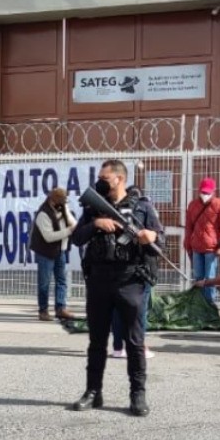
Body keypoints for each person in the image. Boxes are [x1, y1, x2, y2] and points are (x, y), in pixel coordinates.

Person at [69, 159, 163, 417]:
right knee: (97, 340)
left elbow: (159, 240)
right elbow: (76, 237)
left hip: (130, 279)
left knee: (135, 341)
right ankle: (93, 392)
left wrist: (150, 236)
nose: (100, 181)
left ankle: (137, 395)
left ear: (119, 179)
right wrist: (96, 224)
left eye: (105, 178)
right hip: (99, 279)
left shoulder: (142, 206)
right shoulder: (93, 206)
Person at [110, 185, 154, 359]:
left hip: (116, 265)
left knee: (118, 308)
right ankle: (139, 346)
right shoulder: (144, 208)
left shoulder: (115, 209)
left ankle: (118, 347)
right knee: (139, 309)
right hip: (139, 266)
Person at [30, 187, 77, 322]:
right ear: (53, 200)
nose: (63, 204)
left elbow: (74, 224)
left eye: (64, 202)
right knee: (44, 283)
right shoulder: (43, 214)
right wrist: (69, 231)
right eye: (61, 202)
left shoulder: (62, 210)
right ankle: (43, 310)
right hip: (45, 252)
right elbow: (49, 237)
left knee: (61, 281)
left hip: (60, 251)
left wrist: (66, 210)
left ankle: (60, 308)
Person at [184, 177, 220, 304]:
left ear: (213, 191)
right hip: (196, 247)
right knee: (198, 277)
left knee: (210, 279)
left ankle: (210, 306)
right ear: (199, 190)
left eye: (207, 192)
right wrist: (188, 245)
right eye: (203, 192)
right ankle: (200, 305)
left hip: (212, 248)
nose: (205, 194)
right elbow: (189, 227)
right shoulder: (193, 205)